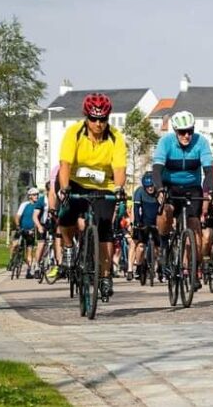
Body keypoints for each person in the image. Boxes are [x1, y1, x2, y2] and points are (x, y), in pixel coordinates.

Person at [51, 93, 128, 298]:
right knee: (66, 216)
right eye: (93, 119)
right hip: (74, 181)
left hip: (104, 186)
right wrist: (65, 189)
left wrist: (119, 190)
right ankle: (68, 247)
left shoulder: (116, 137)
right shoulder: (74, 132)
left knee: (104, 229)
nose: (98, 123)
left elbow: (119, 169)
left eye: (102, 119)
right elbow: (65, 164)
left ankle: (104, 276)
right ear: (86, 117)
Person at [152, 110, 213, 287]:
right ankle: (164, 245)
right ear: (175, 131)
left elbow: (209, 171)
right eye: (182, 132)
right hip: (169, 186)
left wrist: (209, 191)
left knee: (195, 227)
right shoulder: (165, 142)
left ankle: (194, 270)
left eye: (190, 131)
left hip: (192, 188)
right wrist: (159, 190)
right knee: (166, 211)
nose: (186, 135)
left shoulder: (201, 142)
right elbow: (157, 169)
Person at [132, 171, 161, 280]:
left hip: (157, 222)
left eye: (151, 186)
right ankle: (139, 267)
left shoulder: (158, 192)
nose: (150, 188)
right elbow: (136, 209)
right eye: (147, 187)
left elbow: (163, 208)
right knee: (140, 247)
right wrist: (137, 223)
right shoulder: (139, 191)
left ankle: (160, 267)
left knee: (158, 248)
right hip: (144, 222)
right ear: (144, 186)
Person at [13, 187, 45, 279]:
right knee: (14, 244)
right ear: (30, 196)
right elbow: (17, 216)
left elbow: (38, 219)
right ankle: (12, 260)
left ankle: (29, 269)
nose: (37, 196)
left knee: (29, 250)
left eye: (37, 195)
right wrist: (18, 226)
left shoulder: (39, 205)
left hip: (31, 231)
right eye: (35, 195)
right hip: (21, 228)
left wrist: (34, 229)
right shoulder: (24, 204)